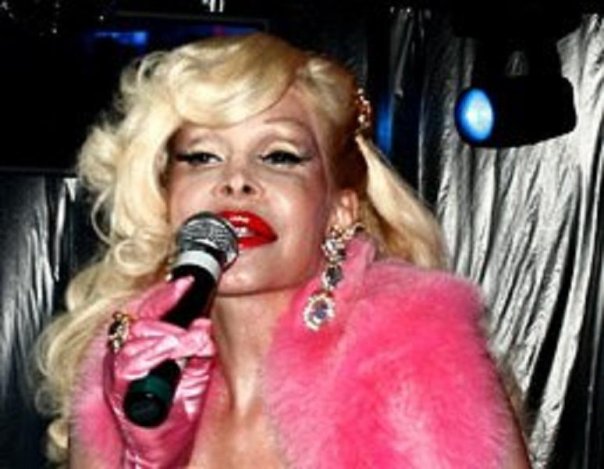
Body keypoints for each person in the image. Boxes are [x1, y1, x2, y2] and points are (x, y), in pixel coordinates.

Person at [35, 32, 530, 468]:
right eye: (202, 156)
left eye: (279, 156)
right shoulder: (133, 373)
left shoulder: (416, 352)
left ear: (338, 210)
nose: (236, 181)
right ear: (165, 198)